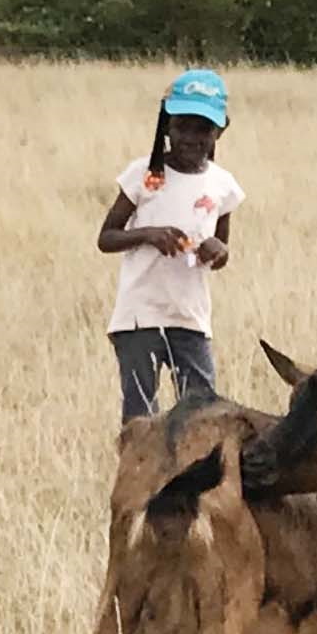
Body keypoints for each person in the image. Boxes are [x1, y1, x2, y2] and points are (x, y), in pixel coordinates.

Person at [93, 68, 244, 419]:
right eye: (182, 126)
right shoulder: (144, 175)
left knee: (202, 415)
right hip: (138, 317)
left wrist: (218, 251)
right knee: (140, 415)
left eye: (203, 128)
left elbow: (220, 250)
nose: (191, 137)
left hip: (190, 317)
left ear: (220, 129)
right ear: (166, 126)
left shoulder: (223, 185)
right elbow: (107, 237)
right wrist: (149, 234)